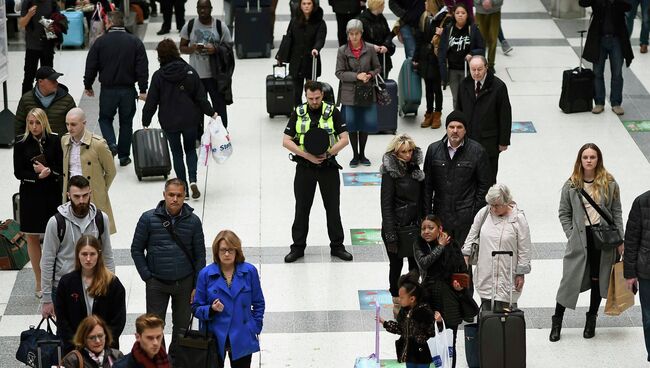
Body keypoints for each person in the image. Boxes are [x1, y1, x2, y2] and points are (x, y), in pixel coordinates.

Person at [551, 143, 624, 342]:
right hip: (580, 239)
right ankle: (557, 320)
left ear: (598, 159)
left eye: (593, 157)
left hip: (604, 239)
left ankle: (591, 319)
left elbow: (616, 212)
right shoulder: (572, 185)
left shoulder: (609, 183)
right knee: (568, 281)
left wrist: (620, 239)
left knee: (597, 280)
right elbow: (564, 213)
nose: (589, 160)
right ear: (580, 160)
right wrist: (571, 234)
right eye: (585, 157)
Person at [131, 178, 206, 360]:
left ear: (184, 197)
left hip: (185, 283)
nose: (175, 199)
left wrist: (197, 285)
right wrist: (147, 276)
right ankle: (160, 360)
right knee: (155, 327)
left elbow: (200, 256)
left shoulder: (193, 222)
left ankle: (175, 360)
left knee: (181, 327)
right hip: (157, 283)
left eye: (179, 195)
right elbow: (136, 249)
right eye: (171, 195)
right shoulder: (148, 219)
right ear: (164, 195)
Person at [282, 81, 351, 263]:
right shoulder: (298, 112)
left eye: (317, 98)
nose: (314, 101)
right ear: (306, 96)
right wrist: (306, 156)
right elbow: (286, 141)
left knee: (333, 209)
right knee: (302, 209)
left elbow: (344, 139)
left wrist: (328, 153)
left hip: (328, 168)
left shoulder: (333, 112)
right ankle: (297, 247)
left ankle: (337, 246)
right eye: (310, 98)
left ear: (323, 95)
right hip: (305, 168)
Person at [143, 39, 217, 200]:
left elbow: (151, 102)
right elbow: (201, 97)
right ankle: (193, 180)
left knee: (177, 152)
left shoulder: (159, 76)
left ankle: (183, 187)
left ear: (160, 56)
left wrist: (146, 120)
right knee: (190, 149)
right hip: (190, 119)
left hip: (169, 121)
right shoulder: (190, 71)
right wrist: (212, 113)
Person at [40, 175, 115, 319]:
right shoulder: (56, 222)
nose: (81, 200)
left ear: (90, 194)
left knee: (95, 332)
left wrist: (110, 286)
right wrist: (47, 299)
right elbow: (47, 260)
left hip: (95, 284)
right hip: (63, 286)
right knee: (67, 335)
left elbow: (107, 254)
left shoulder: (101, 219)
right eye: (76, 196)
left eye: (85, 195)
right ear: (68, 195)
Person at [84, 11, 149, 167]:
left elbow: (91, 64)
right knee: (126, 122)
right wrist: (142, 89)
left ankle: (112, 144)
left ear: (110, 23)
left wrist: (88, 84)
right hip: (128, 90)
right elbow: (142, 67)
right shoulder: (135, 42)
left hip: (108, 90)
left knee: (105, 119)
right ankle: (124, 156)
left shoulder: (100, 42)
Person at [193, 230, 265, 367]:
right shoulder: (205, 274)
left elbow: (258, 303)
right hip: (214, 336)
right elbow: (196, 307)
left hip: (242, 334)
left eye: (230, 250)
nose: (227, 254)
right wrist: (211, 309)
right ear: (216, 251)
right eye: (223, 250)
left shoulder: (249, 271)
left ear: (237, 251)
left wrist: (254, 327)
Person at [13, 108, 63, 299]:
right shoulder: (20, 143)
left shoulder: (54, 140)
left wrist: (49, 171)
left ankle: (55, 277)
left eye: (37, 122)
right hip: (31, 194)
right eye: (30, 122)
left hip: (51, 193)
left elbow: (60, 167)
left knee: (55, 235)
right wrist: (36, 175)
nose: (34, 126)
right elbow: (18, 172)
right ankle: (39, 280)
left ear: (44, 122)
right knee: (32, 236)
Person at [423, 110, 491, 249]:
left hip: (465, 218)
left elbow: (484, 186)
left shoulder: (477, 151)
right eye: (451, 127)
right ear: (446, 128)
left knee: (464, 260)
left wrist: (475, 213)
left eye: (459, 127)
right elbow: (427, 186)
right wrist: (428, 215)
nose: (455, 131)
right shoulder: (433, 150)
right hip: (440, 216)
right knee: (441, 259)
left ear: (465, 130)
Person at [416, 215, 475, 368]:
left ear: (440, 229)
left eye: (431, 228)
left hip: (450, 299)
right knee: (429, 341)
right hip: (429, 298)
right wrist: (440, 246)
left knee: (450, 343)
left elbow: (463, 270)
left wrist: (460, 286)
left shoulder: (452, 245)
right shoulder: (419, 244)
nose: (426, 231)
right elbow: (424, 264)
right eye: (423, 228)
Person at [462, 183, 532, 311]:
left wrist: (521, 273)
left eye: (496, 205)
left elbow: (524, 248)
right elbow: (471, 235)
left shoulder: (518, 219)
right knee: (487, 310)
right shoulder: (484, 214)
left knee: (506, 312)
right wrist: (466, 255)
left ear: (507, 202)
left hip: (507, 273)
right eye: (491, 205)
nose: (493, 209)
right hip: (486, 271)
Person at [55, 235, 126, 354]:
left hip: (105, 348)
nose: (88, 259)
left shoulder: (112, 283)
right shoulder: (66, 283)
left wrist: (103, 341)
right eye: (84, 254)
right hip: (75, 349)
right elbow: (62, 319)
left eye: (92, 254)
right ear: (78, 255)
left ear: (99, 255)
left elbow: (118, 320)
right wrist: (76, 342)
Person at [380, 134, 423, 315]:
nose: (407, 155)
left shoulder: (416, 171)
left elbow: (422, 200)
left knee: (415, 267)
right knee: (395, 266)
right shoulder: (390, 174)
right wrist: (390, 234)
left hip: (415, 227)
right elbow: (386, 205)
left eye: (410, 151)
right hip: (396, 228)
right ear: (396, 153)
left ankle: (412, 299)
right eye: (403, 152)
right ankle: (397, 301)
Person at [456, 55, 512, 184]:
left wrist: (503, 141)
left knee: (488, 178)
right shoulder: (464, 84)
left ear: (486, 67)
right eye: (473, 69)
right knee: (469, 178)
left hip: (489, 142)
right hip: (468, 140)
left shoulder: (498, 86)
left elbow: (505, 115)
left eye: (479, 69)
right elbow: (458, 111)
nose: (476, 73)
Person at [62, 108, 117, 234]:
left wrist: (100, 189)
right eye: (67, 124)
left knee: (96, 235)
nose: (70, 128)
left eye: (73, 124)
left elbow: (111, 171)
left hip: (91, 195)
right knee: (73, 234)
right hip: (72, 194)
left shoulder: (98, 144)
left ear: (84, 123)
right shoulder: (64, 141)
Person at [180, 0, 234, 128]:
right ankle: (198, 135)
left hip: (215, 75)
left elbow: (229, 48)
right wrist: (192, 48)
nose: (202, 11)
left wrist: (215, 49)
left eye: (205, 8)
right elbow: (182, 47)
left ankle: (221, 133)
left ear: (211, 8)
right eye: (200, 8)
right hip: (196, 75)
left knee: (219, 106)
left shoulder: (220, 26)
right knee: (196, 107)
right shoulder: (190, 25)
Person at [336, 19, 381, 167]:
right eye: (351, 34)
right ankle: (355, 155)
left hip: (366, 91)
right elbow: (339, 73)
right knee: (352, 125)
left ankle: (363, 154)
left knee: (365, 124)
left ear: (361, 33)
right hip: (349, 93)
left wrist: (369, 74)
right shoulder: (342, 50)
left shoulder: (369, 49)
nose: (354, 37)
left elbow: (377, 68)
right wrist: (356, 76)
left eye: (357, 33)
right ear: (348, 35)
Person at [580, 0, 634, 116]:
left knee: (617, 72)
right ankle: (599, 102)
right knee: (597, 72)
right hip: (599, 38)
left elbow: (629, 6)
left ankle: (616, 102)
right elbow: (583, 3)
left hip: (617, 38)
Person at [377, 273, 439, 367]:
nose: (399, 300)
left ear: (412, 299)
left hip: (422, 354)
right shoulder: (404, 312)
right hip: (409, 354)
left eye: (402, 298)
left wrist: (438, 322)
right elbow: (401, 329)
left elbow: (432, 331)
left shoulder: (424, 312)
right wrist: (385, 323)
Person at [276, 0, 327, 106]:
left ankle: (312, 111)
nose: (306, 6)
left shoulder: (320, 22)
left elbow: (320, 39)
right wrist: (280, 56)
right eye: (304, 4)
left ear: (313, 5)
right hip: (296, 61)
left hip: (311, 60)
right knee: (296, 92)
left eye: (309, 4)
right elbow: (288, 39)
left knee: (312, 92)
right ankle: (299, 112)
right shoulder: (294, 20)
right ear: (300, 5)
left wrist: (316, 49)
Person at [437, 3, 484, 109]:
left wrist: (472, 54)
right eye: (457, 13)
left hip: (467, 70)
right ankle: (458, 121)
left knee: (468, 96)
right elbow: (441, 50)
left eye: (463, 13)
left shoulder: (473, 29)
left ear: (467, 14)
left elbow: (481, 48)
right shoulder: (448, 29)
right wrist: (443, 72)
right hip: (452, 70)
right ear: (453, 14)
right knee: (456, 98)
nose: (460, 15)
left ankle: (469, 119)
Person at [624, 190, 650, 361]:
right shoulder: (642, 202)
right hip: (647, 271)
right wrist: (630, 273)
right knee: (649, 318)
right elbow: (631, 239)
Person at [15, 66, 76, 136]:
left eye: (56, 80)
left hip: (59, 145)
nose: (56, 83)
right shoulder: (26, 100)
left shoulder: (67, 100)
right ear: (40, 82)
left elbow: (75, 125)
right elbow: (19, 126)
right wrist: (21, 145)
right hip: (34, 145)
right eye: (52, 80)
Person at [18, 0, 63, 94]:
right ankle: (26, 104)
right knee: (29, 77)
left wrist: (53, 27)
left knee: (48, 77)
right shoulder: (28, 2)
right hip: (32, 46)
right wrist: (29, 15)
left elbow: (59, 22)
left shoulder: (52, 3)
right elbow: (21, 24)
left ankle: (47, 101)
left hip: (47, 45)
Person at [414, 0, 445, 129]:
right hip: (425, 57)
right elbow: (419, 38)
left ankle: (437, 113)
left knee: (437, 87)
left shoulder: (443, 19)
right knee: (428, 87)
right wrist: (416, 57)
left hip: (436, 58)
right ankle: (429, 112)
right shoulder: (425, 17)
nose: (425, 3)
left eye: (428, 1)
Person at [357, 0, 396, 77]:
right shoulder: (361, 20)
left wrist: (386, 45)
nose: (384, 7)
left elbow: (387, 34)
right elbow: (358, 41)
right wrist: (372, 47)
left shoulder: (381, 18)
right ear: (378, 6)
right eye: (383, 5)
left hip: (383, 57)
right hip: (368, 59)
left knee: (383, 82)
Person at [473, 0, 503, 73]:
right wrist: (482, 1)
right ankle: (480, 63)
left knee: (493, 38)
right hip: (480, 10)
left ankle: (490, 64)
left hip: (495, 10)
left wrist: (492, 2)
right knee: (480, 39)